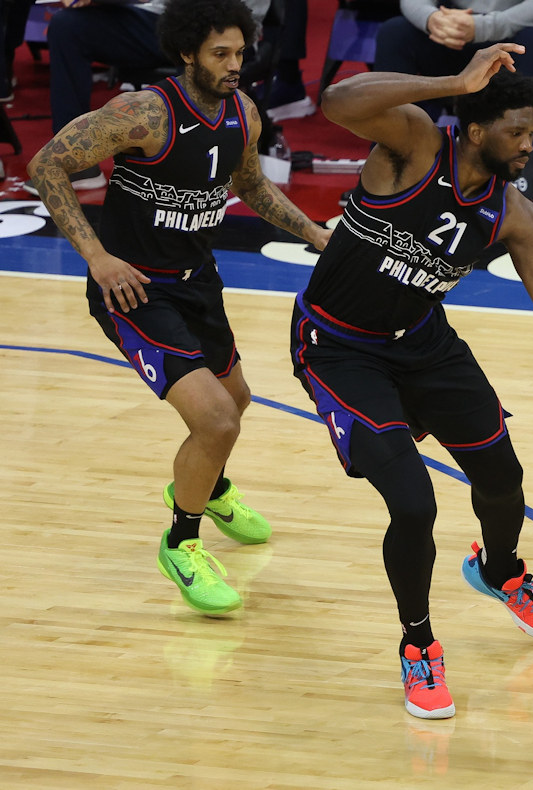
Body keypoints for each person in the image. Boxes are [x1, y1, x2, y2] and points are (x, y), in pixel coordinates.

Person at [292, 43, 533, 720]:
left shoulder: (515, 215)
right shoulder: (414, 145)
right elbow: (337, 101)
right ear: (476, 129)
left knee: (501, 476)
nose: (529, 146)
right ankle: (418, 645)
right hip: (339, 348)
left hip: (424, 344)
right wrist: (453, 82)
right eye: (516, 133)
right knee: (413, 504)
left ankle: (499, 569)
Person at [25, 0, 332, 616]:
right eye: (221, 53)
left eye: (240, 52)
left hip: (198, 282)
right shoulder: (143, 114)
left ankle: (205, 486)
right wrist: (97, 256)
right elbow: (46, 164)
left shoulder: (243, 111)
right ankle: (181, 544)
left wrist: (314, 233)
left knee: (235, 401)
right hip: (134, 290)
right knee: (216, 420)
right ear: (188, 52)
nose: (235, 64)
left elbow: (250, 185)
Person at [372, 0, 533, 221]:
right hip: (461, 27)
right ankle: (390, 170)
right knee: (395, 33)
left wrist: (479, 27)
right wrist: (432, 20)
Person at [38, 0, 269, 192]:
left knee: (203, 39)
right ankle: (77, 161)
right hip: (162, 18)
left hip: (227, 25)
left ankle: (204, 158)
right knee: (67, 25)